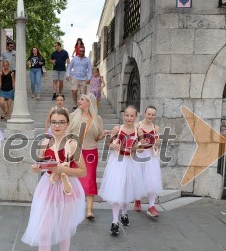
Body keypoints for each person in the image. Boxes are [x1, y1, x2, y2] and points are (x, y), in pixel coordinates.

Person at [22, 108, 86, 251]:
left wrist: (62, 170)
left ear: (67, 124)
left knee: (64, 228)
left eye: (61, 122)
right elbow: (41, 162)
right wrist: (37, 166)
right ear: (49, 123)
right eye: (54, 122)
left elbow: (83, 171)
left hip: (67, 188)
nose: (57, 125)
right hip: (47, 187)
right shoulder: (45, 142)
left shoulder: (73, 144)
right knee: (44, 230)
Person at [98, 106, 145, 235]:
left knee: (127, 189)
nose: (129, 118)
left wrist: (137, 148)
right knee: (117, 190)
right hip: (118, 162)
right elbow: (108, 143)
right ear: (124, 115)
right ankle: (114, 222)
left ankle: (124, 214)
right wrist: (113, 145)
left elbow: (142, 147)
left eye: (132, 116)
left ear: (136, 117)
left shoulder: (138, 130)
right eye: (127, 115)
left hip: (131, 163)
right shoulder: (117, 129)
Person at [68, 94, 108, 219]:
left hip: (91, 152)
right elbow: (68, 134)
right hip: (76, 152)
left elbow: (97, 137)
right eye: (79, 99)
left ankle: (89, 210)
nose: (79, 101)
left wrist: (103, 135)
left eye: (82, 99)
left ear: (89, 102)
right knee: (74, 180)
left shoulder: (97, 119)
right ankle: (73, 207)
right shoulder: (73, 116)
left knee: (90, 179)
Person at [134, 106, 162, 217]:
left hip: (151, 156)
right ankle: (137, 200)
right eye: (149, 114)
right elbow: (134, 141)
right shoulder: (137, 126)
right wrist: (140, 145)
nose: (150, 116)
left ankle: (151, 206)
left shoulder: (156, 127)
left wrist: (156, 143)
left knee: (152, 180)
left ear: (155, 116)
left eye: (153, 114)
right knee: (138, 178)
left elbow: (158, 141)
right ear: (144, 113)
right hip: (140, 155)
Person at [66, 46, 92, 111]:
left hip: (84, 79)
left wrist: (89, 78)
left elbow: (90, 70)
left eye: (82, 51)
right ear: (78, 51)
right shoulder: (74, 59)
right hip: (75, 78)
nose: (81, 52)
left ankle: (82, 106)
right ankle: (75, 105)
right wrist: (68, 75)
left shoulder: (87, 60)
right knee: (74, 91)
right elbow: (69, 67)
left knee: (83, 94)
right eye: (80, 51)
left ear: (84, 51)